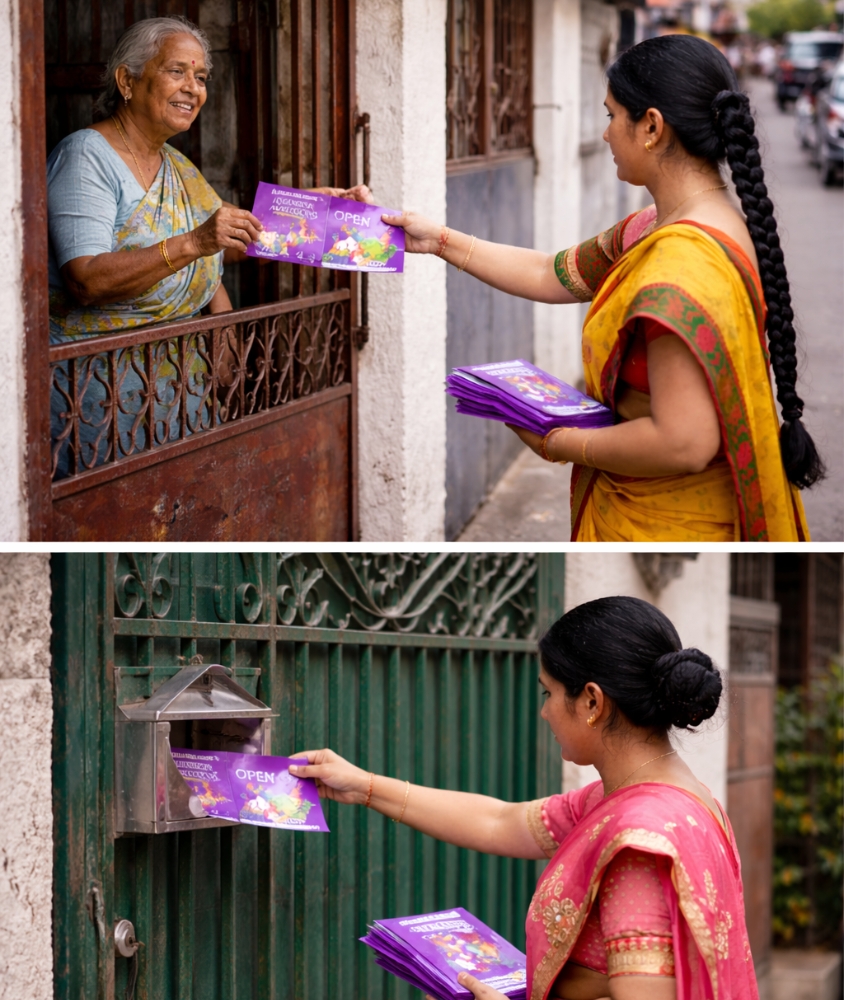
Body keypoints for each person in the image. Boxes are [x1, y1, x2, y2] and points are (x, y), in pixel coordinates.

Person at [385, 35, 823, 542]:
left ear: (652, 127)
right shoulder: (658, 227)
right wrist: (438, 240)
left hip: (671, 520)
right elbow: (551, 273)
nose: (606, 132)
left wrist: (560, 442)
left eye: (613, 115)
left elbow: (684, 443)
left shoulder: (681, 262)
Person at [290, 596, 760, 1000]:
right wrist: (364, 785)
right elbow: (500, 821)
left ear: (592, 702)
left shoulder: (639, 843)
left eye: (549, 692)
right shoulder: (663, 800)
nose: (543, 711)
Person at [47, 15, 370, 473]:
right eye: (176, 71)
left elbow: (232, 239)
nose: (193, 88)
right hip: (98, 402)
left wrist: (325, 211)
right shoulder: (86, 157)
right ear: (127, 80)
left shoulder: (176, 166)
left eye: (200, 78)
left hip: (178, 398)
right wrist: (195, 241)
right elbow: (85, 279)